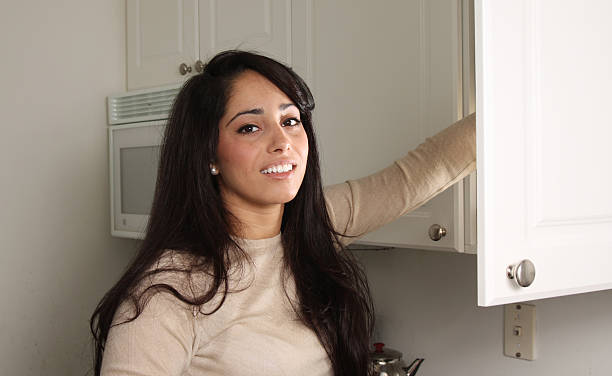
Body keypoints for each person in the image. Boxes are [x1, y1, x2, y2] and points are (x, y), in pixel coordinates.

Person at [90, 50, 476, 376]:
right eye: (250, 127)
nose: (283, 142)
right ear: (209, 154)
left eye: (290, 121)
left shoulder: (314, 225)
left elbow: (422, 172)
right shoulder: (168, 294)